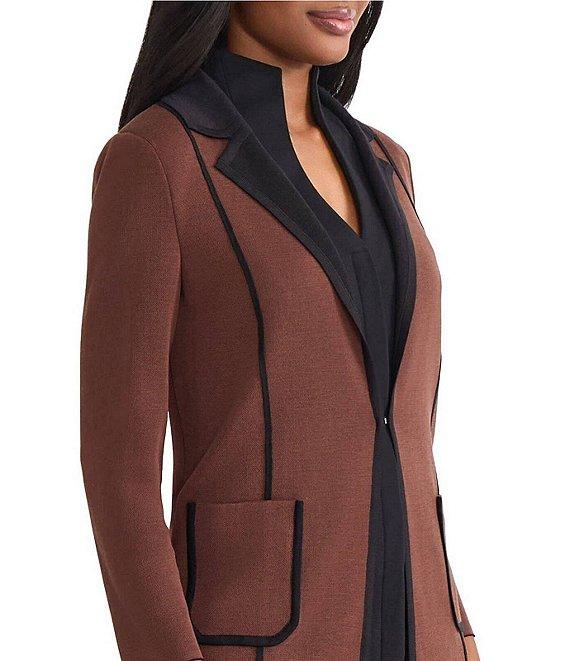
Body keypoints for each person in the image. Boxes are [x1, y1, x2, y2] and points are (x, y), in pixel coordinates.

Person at [81, 2, 479, 659]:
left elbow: (406, 440)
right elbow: (119, 476)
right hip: (262, 643)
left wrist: (460, 630)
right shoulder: (158, 159)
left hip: (427, 635)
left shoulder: (388, 161)